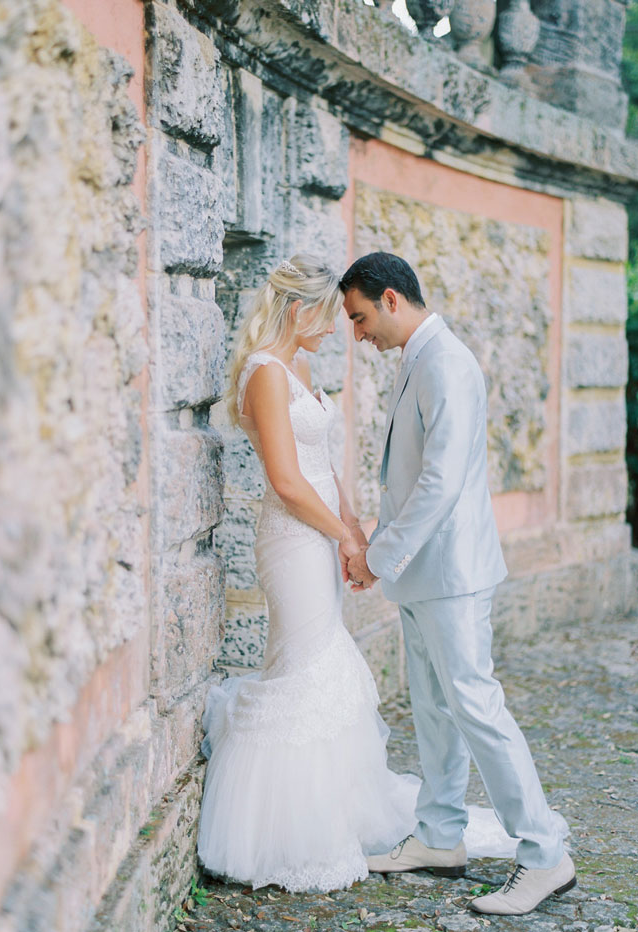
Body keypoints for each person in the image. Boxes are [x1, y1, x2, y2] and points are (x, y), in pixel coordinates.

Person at [196, 254, 521, 894]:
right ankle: (283, 832)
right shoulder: (264, 373)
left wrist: (353, 525)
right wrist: (345, 536)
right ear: (299, 310)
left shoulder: (301, 367)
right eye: (331, 315)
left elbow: (324, 464)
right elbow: (287, 481)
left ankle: (336, 816)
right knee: (307, 667)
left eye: (353, 315)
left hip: (324, 530)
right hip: (292, 538)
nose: (341, 329)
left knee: (327, 670)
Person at [340, 252, 576, 916]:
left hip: (453, 573)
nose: (358, 334)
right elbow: (412, 478)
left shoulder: (447, 363)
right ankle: (441, 837)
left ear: (391, 299)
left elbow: (441, 483)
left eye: (359, 318)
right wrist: (384, 553)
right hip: (424, 573)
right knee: (435, 708)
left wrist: (377, 556)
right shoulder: (419, 358)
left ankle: (544, 853)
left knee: (476, 706)